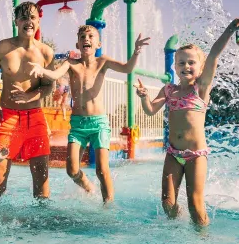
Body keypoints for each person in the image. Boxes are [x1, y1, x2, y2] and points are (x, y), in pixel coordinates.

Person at [135, 12, 239, 226]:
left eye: (191, 62)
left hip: (196, 155)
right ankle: (177, 228)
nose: (186, 66)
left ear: (200, 68)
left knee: (195, 204)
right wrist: (144, 98)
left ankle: (202, 239)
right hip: (173, 153)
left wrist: (230, 29)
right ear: (175, 66)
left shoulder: (200, 88)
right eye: (181, 62)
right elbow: (151, 110)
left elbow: (214, 55)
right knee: (167, 202)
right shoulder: (169, 89)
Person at [29, 25, 151, 203]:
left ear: (98, 43)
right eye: (82, 37)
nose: (86, 39)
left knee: (102, 169)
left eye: (90, 36)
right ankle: (87, 186)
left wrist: (136, 52)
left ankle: (108, 205)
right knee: (71, 170)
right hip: (78, 125)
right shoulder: (71, 64)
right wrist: (43, 71)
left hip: (98, 124)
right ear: (78, 44)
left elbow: (127, 68)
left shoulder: (102, 62)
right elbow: (55, 74)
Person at [0, 1, 55, 202]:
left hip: (35, 117)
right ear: (16, 21)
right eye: (24, 17)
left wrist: (29, 97)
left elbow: (48, 86)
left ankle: (41, 224)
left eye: (32, 17)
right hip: (6, 115)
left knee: (42, 176)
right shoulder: (3, 48)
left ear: (38, 21)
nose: (29, 22)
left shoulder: (46, 53)